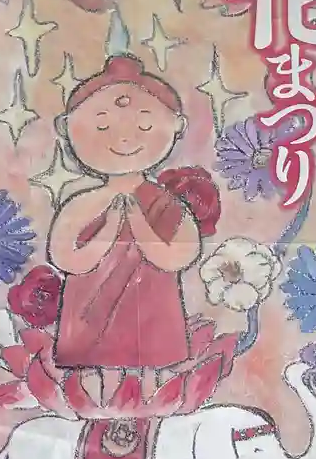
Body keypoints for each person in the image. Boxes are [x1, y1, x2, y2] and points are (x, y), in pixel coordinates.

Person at [49, 55, 202, 397]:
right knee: (97, 379)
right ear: (66, 127)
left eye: (145, 126)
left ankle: (151, 403)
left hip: (151, 310)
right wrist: (106, 233)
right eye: (102, 126)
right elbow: (65, 257)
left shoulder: (166, 204)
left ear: (176, 125)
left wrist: (140, 227)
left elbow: (180, 255)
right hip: (90, 314)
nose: (123, 138)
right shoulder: (82, 205)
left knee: (150, 377)